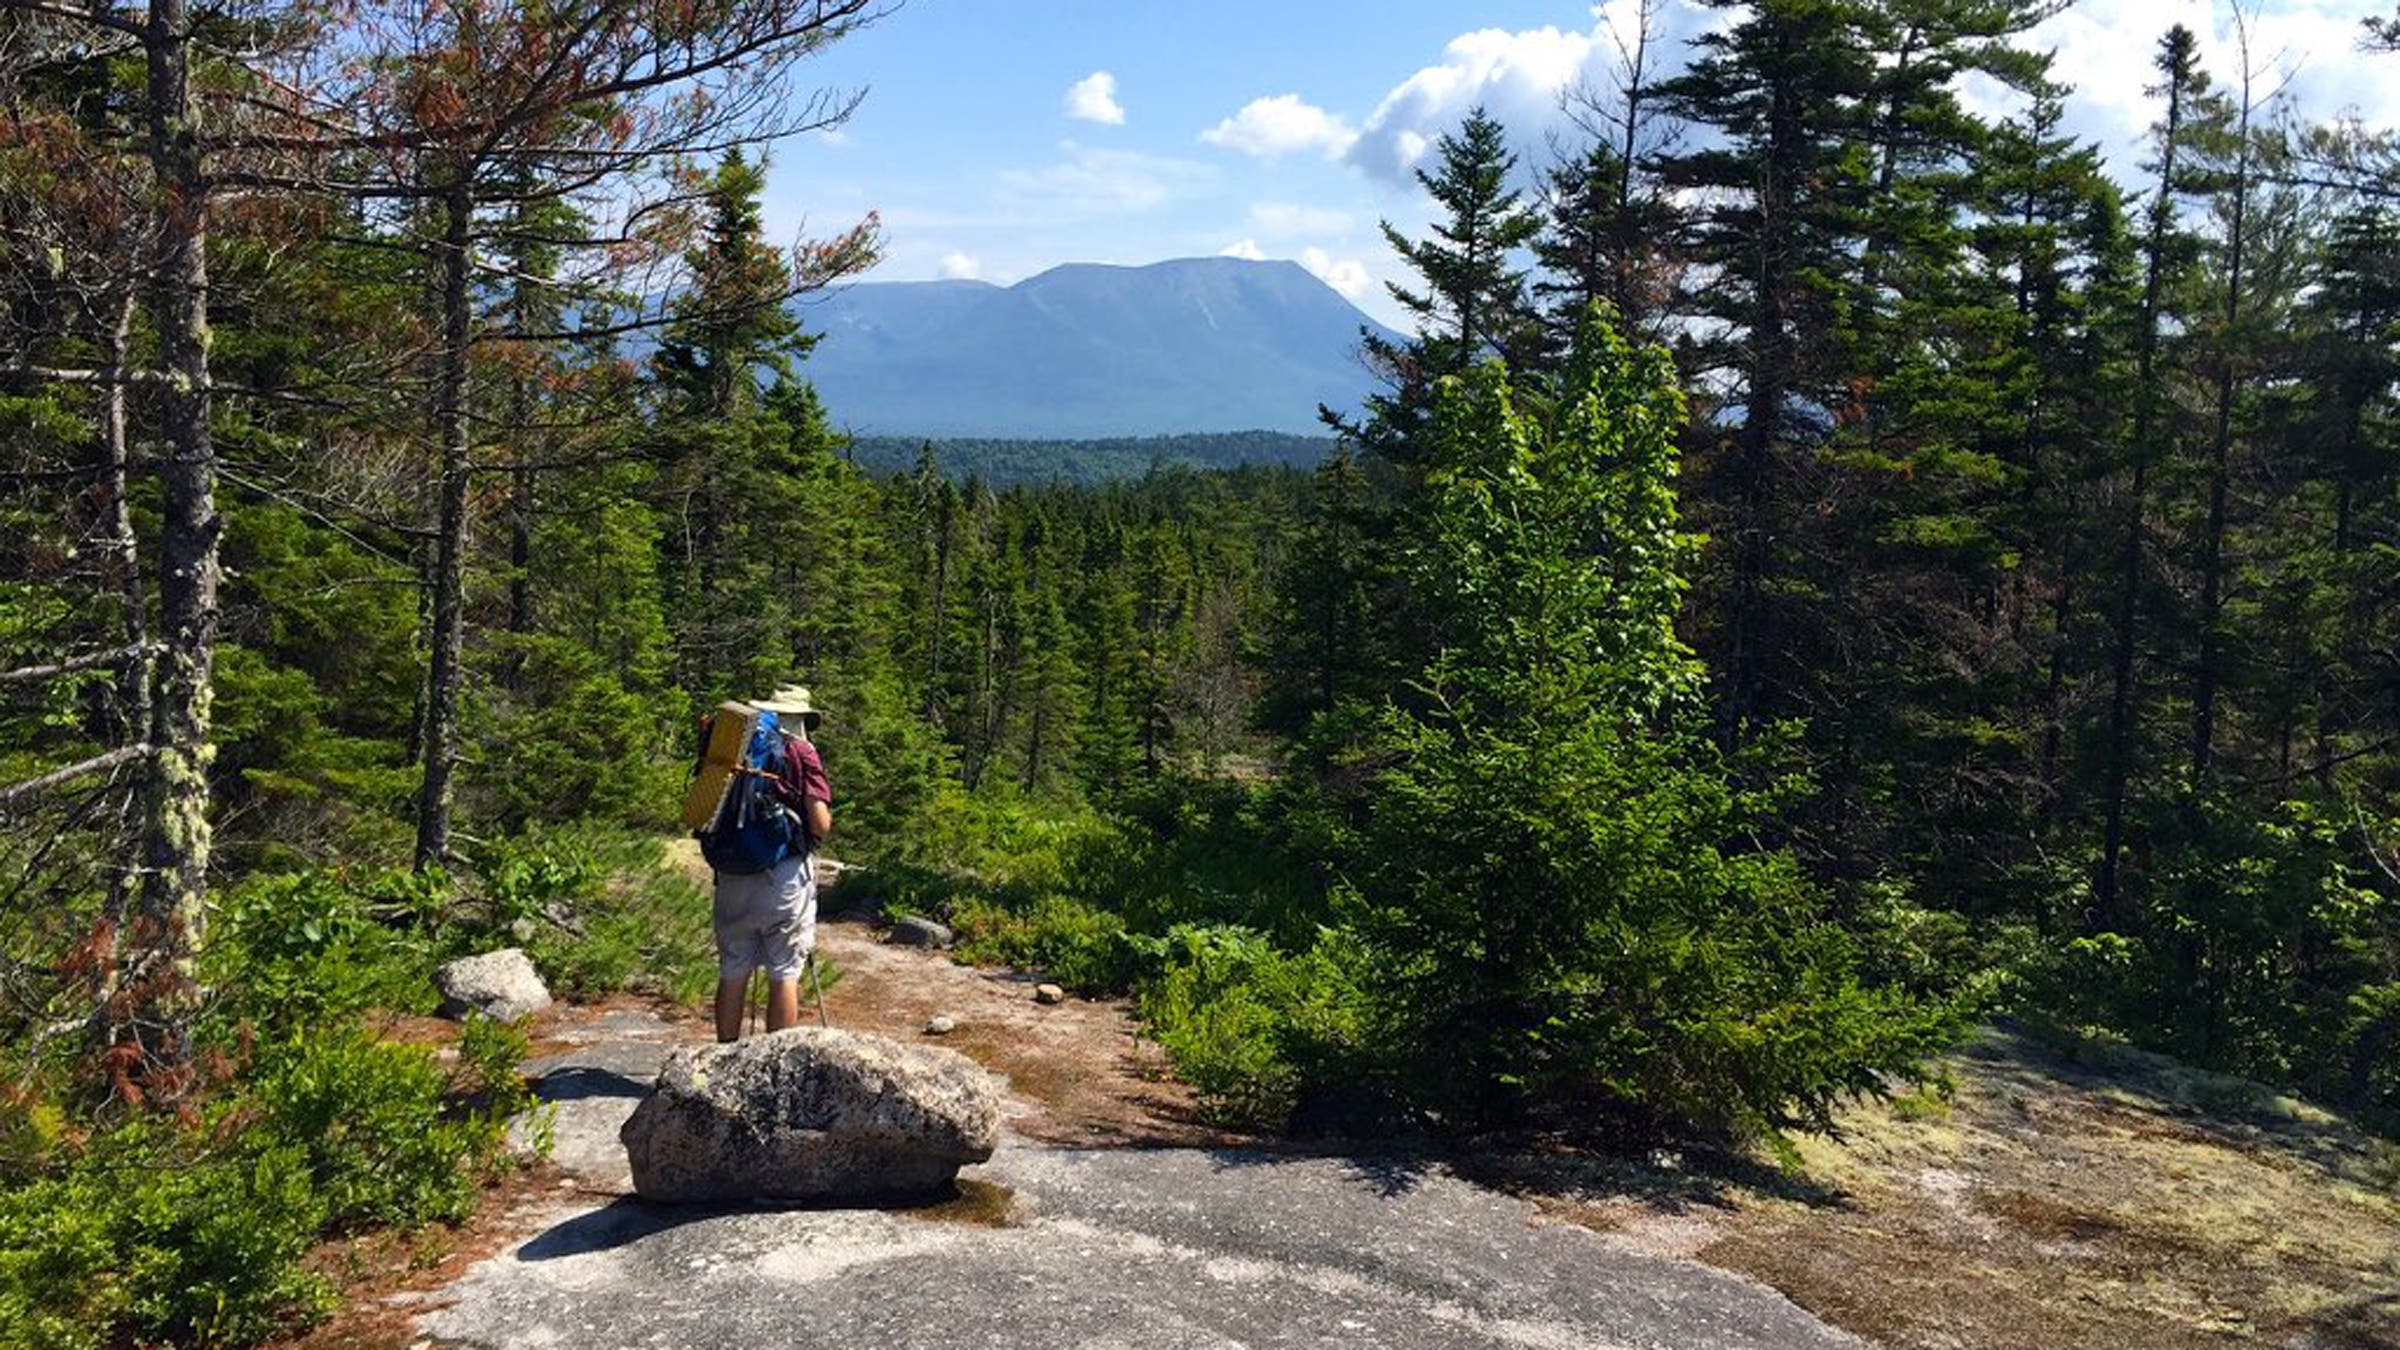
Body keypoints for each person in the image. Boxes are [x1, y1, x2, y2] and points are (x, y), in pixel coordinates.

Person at [705, 684, 833, 1042]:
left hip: (731, 873)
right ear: (801, 717)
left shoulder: (736, 748)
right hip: (784, 876)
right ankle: (773, 1065)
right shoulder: (803, 752)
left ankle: (723, 1062)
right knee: (784, 969)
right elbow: (820, 822)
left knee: (732, 967)